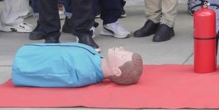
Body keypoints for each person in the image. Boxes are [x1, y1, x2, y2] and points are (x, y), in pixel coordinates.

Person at [11, 44, 144, 87]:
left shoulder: (82, 71)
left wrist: (22, 68)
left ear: (116, 71)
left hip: (24, 63)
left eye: (122, 55)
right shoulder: (93, 58)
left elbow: (51, 73)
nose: (120, 48)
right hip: (30, 52)